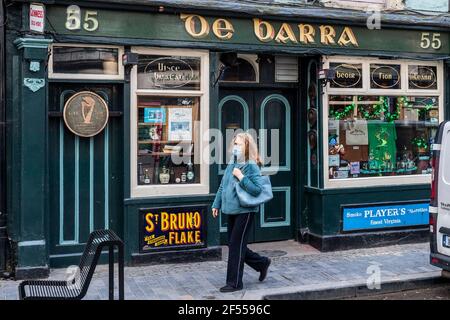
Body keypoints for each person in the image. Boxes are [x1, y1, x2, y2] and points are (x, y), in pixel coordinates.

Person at [212, 132, 271, 293]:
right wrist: (216, 204)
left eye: (239, 144)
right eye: (235, 143)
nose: (236, 146)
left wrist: (242, 177)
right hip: (231, 210)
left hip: (245, 211)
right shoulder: (232, 162)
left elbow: (257, 189)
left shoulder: (251, 164)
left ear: (247, 146)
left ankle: (235, 283)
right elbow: (223, 185)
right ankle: (261, 263)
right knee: (234, 244)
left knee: (236, 245)